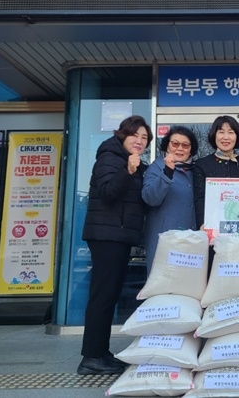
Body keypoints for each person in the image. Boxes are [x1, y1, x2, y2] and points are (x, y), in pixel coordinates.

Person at [79, 115, 152, 375]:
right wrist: (129, 171)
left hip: (117, 236)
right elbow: (109, 192)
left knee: (108, 296)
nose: (140, 141)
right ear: (122, 135)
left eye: (145, 138)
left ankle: (100, 352)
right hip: (106, 236)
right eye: (135, 135)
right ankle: (91, 357)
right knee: (103, 296)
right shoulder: (110, 157)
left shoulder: (127, 161)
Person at [142, 125, 198, 274]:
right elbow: (150, 198)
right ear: (167, 145)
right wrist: (167, 172)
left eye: (185, 145)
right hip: (164, 241)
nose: (180, 149)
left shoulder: (196, 171)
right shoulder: (156, 168)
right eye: (175, 144)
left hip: (192, 242)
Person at [193, 115, 239, 228]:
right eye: (221, 132)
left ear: (237, 136)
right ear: (214, 135)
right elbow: (200, 198)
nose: (226, 137)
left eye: (231, 132)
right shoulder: (201, 164)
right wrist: (202, 223)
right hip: (212, 225)